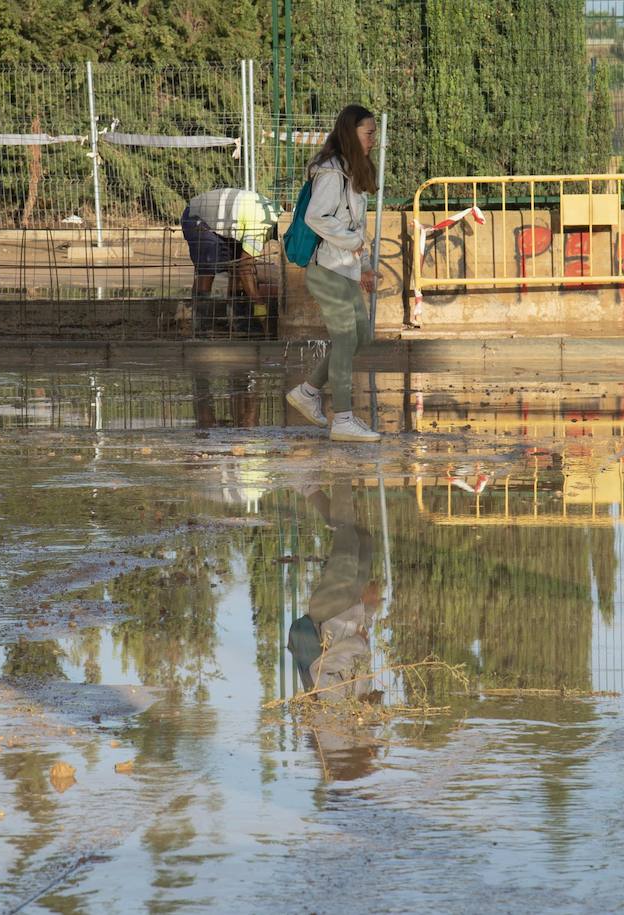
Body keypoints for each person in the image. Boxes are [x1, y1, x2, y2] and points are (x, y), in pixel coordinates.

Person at [284, 105, 381, 443]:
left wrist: (365, 265)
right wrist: (354, 243)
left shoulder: (352, 170)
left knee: (360, 337)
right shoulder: (331, 172)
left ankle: (308, 392)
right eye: (368, 133)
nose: (373, 140)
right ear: (350, 133)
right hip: (327, 270)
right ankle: (343, 418)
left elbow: (355, 224)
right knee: (344, 339)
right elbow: (317, 217)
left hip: (346, 269)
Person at [287, 481, 381, 779]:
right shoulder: (358, 722)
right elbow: (358, 665)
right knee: (363, 541)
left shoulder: (333, 723)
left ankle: (342, 466)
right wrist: (369, 608)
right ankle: (309, 487)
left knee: (348, 540)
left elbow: (322, 671)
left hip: (330, 613)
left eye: (369, 756)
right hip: (349, 612)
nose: (375, 748)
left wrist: (358, 642)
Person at [180, 187, 281, 336]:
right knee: (207, 269)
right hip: (198, 216)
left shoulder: (279, 213)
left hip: (228, 217)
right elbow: (245, 269)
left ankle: (239, 322)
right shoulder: (259, 227)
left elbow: (242, 265)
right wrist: (259, 302)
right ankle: (200, 326)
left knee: (236, 264)